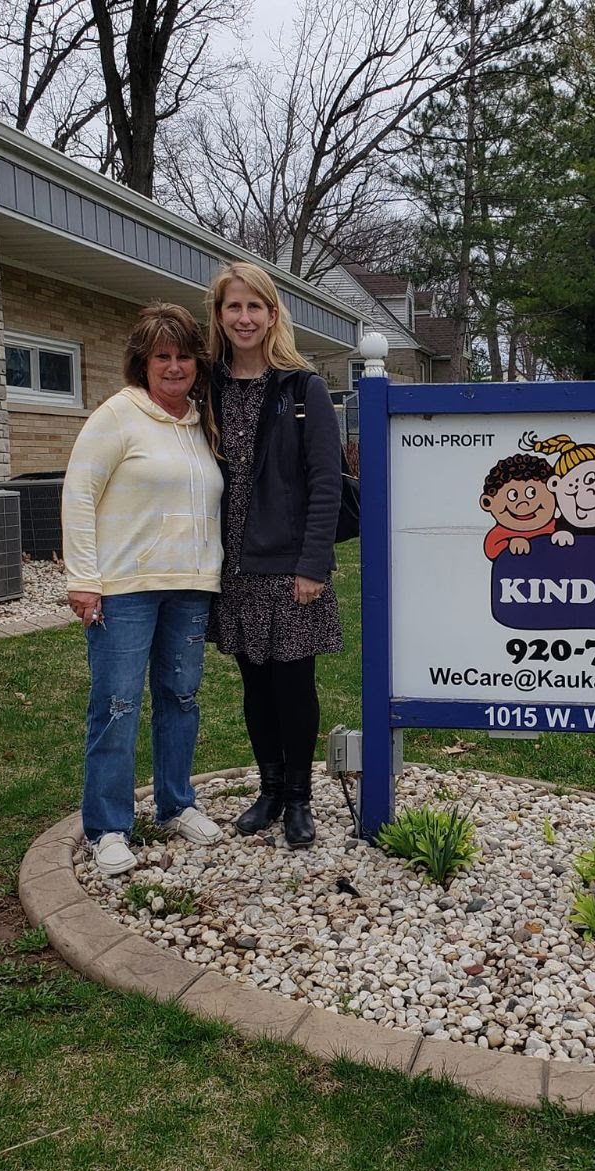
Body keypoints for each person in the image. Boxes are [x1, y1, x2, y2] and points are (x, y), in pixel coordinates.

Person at [62, 303, 225, 877]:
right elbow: (79, 494)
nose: (174, 366)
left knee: (180, 698)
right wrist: (83, 579)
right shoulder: (118, 416)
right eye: (163, 356)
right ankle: (108, 826)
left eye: (184, 355)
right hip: (125, 588)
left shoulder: (201, 421)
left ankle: (176, 804)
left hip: (191, 586)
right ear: (143, 361)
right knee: (117, 704)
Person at [205, 262, 342, 847]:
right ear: (219, 315)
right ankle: (267, 787)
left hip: (289, 568)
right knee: (255, 687)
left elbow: (325, 480)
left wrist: (313, 565)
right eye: (233, 307)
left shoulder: (301, 387)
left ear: (272, 314)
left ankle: (299, 798)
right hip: (231, 567)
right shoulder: (206, 387)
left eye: (254, 307)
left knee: (294, 686)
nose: (244, 318)